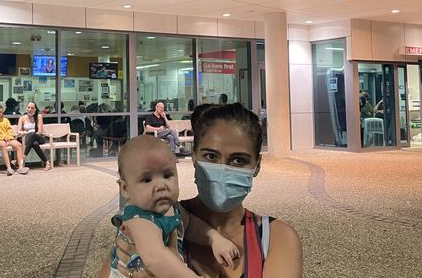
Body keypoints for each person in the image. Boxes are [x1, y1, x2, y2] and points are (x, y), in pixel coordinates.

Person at [100, 103, 302, 277]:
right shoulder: (149, 220)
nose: (223, 169)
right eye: (211, 157)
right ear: (194, 158)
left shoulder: (276, 239)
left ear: (257, 165)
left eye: (238, 160)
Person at [106, 135, 240, 277]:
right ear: (125, 189)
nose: (161, 186)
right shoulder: (138, 218)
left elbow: (189, 225)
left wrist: (214, 238)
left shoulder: (171, 207)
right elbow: (155, 259)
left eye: (167, 175)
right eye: (146, 179)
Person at [0, 104, 29, 176]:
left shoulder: (5, 120)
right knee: (3, 145)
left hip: (8, 138)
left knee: (19, 145)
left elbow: (9, 130)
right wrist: (2, 137)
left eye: (2, 112)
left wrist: (8, 137)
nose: (1, 114)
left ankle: (20, 167)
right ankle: (9, 168)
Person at [17, 102, 52, 171]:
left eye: (32, 108)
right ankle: (47, 163)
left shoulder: (39, 117)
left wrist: (31, 134)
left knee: (33, 135)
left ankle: (23, 158)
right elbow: (18, 131)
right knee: (34, 143)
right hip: (27, 139)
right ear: (26, 108)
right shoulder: (22, 118)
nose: (30, 109)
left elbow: (39, 131)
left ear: (35, 109)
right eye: (28, 107)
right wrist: (25, 132)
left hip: (39, 137)